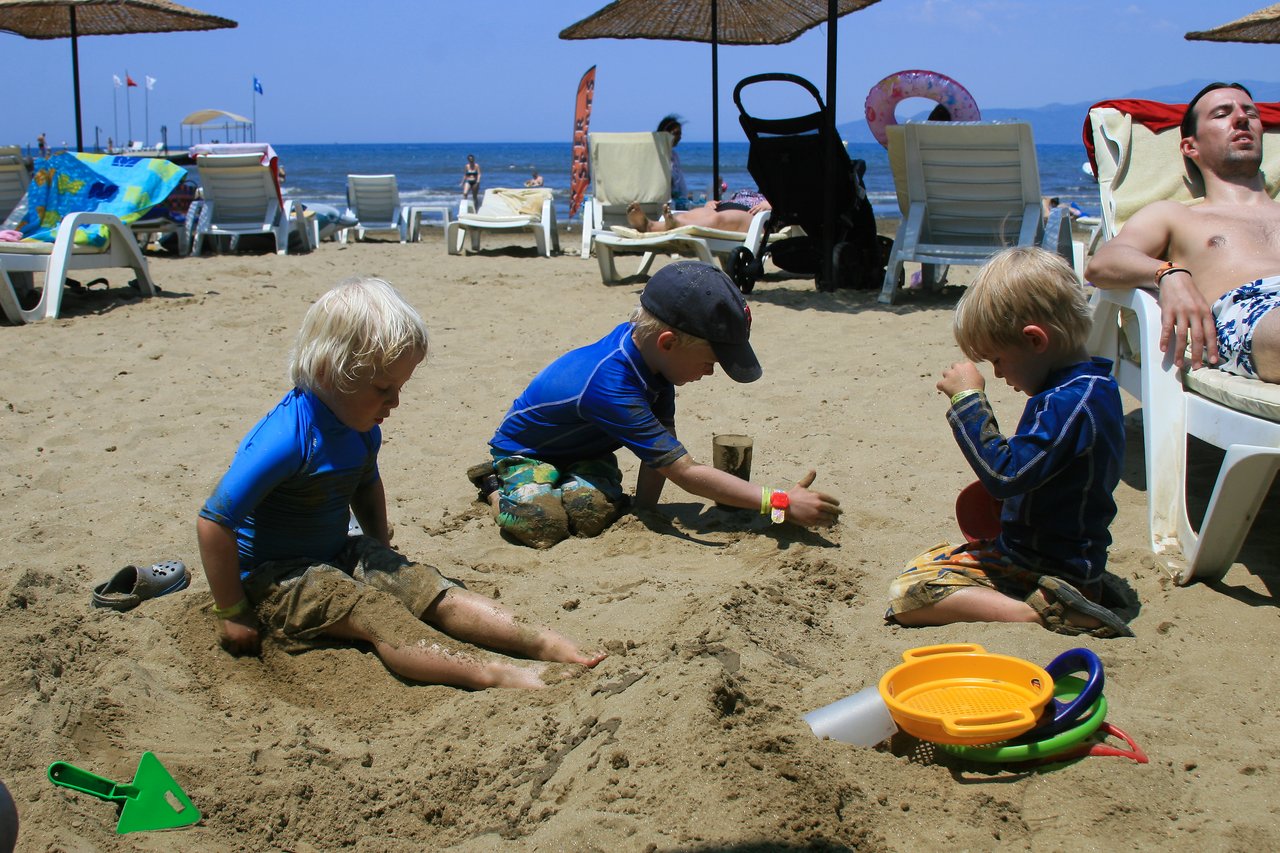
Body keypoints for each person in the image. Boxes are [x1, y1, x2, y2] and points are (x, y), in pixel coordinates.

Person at [197, 277, 606, 689]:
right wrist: (232, 611)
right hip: (276, 576)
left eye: (399, 388)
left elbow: (365, 485)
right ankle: (499, 674)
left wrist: (379, 550)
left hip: (337, 549)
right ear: (328, 371)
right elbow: (214, 522)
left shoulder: (362, 426)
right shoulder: (285, 438)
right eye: (382, 388)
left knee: (427, 587)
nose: (394, 402)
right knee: (375, 613)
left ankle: (544, 642)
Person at [467, 260, 842, 549]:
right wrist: (778, 501)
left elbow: (659, 456)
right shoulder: (609, 383)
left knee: (593, 516)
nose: (710, 373)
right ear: (668, 343)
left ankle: (561, 485)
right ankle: (492, 486)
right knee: (542, 527)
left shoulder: (656, 364)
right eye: (710, 362)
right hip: (527, 453)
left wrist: (644, 513)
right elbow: (684, 472)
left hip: (585, 452)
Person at [886, 247, 1133, 637]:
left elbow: (1005, 474)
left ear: (1035, 341)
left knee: (909, 594)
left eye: (998, 359)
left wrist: (968, 401)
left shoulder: (1069, 402)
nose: (998, 374)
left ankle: (1044, 612)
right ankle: (1072, 595)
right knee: (930, 558)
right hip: (1050, 551)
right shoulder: (1088, 389)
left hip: (1047, 564)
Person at [1086, 82, 1280, 383]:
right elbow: (1103, 263)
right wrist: (1167, 272)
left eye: (1250, 113)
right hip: (1251, 312)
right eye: (1222, 114)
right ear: (1190, 147)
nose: (1242, 119)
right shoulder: (1177, 214)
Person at [624, 195, 771, 234]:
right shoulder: (759, 187)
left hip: (756, 217)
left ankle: (676, 225)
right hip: (724, 206)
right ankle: (650, 225)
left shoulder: (780, 192)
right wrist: (711, 204)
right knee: (692, 214)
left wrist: (772, 205)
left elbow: (791, 207)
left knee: (719, 219)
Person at [658, 115, 694, 210]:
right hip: (666, 204)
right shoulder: (658, 156)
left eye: (680, 134)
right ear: (665, 134)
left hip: (677, 202)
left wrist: (685, 198)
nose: (679, 137)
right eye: (676, 133)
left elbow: (681, 184)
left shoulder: (674, 156)